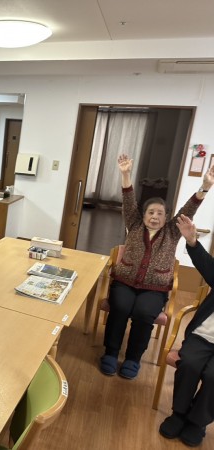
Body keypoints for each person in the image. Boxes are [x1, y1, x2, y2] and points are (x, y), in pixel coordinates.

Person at [99, 154, 214, 380]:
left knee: (144, 313)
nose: (155, 216)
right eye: (150, 212)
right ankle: (111, 353)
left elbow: (189, 209)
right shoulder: (133, 223)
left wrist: (205, 187)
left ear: (167, 217)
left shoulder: (172, 231)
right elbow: (128, 200)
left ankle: (133, 358)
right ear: (142, 215)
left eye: (160, 213)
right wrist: (125, 174)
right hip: (124, 283)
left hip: (154, 289)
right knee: (120, 307)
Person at [159, 215, 214, 446]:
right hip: (204, 335)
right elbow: (207, 266)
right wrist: (192, 241)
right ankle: (179, 413)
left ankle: (197, 422)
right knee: (189, 364)